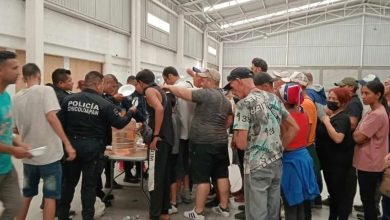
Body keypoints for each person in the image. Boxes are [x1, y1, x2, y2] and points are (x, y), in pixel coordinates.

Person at [223, 67, 299, 220]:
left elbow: (242, 144)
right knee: (273, 212)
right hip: (276, 162)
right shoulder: (273, 98)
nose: (233, 92)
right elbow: (294, 127)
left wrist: (237, 130)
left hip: (256, 165)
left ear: (238, 81)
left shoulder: (244, 104)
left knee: (257, 214)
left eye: (232, 86)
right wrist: (280, 148)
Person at [57, 71, 134, 220]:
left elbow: (60, 123)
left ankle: (63, 216)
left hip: (72, 146)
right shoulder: (104, 104)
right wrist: (130, 113)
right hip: (93, 148)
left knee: (68, 184)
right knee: (89, 187)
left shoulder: (69, 100)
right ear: (99, 84)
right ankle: (87, 216)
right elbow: (119, 124)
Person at [163, 68, 233, 220]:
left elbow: (185, 94)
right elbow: (229, 120)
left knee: (202, 178)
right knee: (222, 175)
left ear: (209, 80)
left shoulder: (206, 94)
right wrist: (217, 129)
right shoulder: (225, 99)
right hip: (220, 142)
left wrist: (168, 87)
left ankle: (199, 212)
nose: (201, 81)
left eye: (203, 79)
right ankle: (224, 207)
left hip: (203, 143)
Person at [13, 63, 76, 220]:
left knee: (26, 195)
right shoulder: (46, 90)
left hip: (29, 157)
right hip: (50, 157)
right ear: (39, 75)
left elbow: (15, 130)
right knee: (50, 196)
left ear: (23, 77)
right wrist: (67, 144)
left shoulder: (16, 97)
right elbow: (51, 117)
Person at [135, 69, 174, 220]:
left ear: (141, 82)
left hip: (160, 140)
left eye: (136, 85)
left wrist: (156, 135)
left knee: (155, 178)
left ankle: (155, 213)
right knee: (163, 176)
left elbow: (159, 109)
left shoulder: (150, 91)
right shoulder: (159, 89)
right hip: (167, 138)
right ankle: (164, 211)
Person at [277, 83, 319, 220]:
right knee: (301, 202)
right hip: (304, 157)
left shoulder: (284, 118)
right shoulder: (304, 113)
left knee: (291, 202)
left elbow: (283, 141)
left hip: (290, 161)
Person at [0, 50, 32, 220]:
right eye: (14, 68)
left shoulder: (5, 96)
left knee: (15, 206)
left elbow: (5, 129)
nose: (19, 72)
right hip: (5, 159)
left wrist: (17, 141)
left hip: (5, 166)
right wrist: (13, 150)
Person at [353, 80, 389, 220]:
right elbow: (358, 133)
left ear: (378, 94)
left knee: (368, 201)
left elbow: (358, 137)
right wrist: (359, 133)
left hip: (370, 164)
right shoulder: (371, 112)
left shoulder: (377, 115)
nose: (363, 96)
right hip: (367, 162)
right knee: (367, 199)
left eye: (367, 93)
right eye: (362, 93)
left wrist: (358, 134)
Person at [316, 87, 353, 220]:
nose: (330, 101)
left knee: (339, 196)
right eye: (329, 98)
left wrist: (326, 121)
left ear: (342, 102)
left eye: (334, 99)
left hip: (338, 165)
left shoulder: (342, 118)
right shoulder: (334, 116)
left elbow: (338, 138)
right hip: (329, 164)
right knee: (334, 195)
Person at [162, 66, 195, 205]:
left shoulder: (175, 89)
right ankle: (186, 190)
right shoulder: (190, 85)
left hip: (180, 133)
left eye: (165, 80)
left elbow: (176, 111)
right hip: (191, 131)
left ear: (169, 76)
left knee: (178, 165)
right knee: (186, 163)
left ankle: (177, 197)